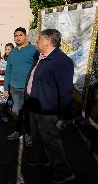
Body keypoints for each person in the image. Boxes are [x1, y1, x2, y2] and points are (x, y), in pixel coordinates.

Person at [26, 29, 75, 183]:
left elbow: (66, 90)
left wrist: (66, 116)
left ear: (48, 41)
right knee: (36, 136)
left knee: (51, 141)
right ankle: (41, 159)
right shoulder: (41, 57)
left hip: (47, 110)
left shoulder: (61, 61)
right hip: (34, 107)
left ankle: (64, 172)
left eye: (39, 39)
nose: (36, 41)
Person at [4, 27, 37, 145]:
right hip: (14, 88)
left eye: (20, 35)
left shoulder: (33, 50)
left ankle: (28, 134)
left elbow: (39, 67)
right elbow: (8, 71)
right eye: (16, 35)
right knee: (17, 112)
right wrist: (5, 88)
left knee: (28, 112)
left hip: (28, 88)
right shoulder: (12, 52)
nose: (18, 37)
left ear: (26, 36)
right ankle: (18, 131)